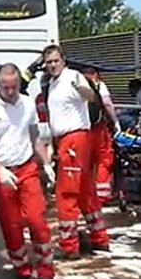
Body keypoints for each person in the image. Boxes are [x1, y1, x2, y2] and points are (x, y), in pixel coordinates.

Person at [0, 63, 59, 279]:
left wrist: (46, 164)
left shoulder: (27, 104)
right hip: (2, 172)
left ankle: (46, 273)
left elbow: (35, 137)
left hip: (27, 168)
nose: (10, 92)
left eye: (14, 87)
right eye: (6, 87)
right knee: (12, 226)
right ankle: (23, 272)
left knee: (37, 220)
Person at [42, 44, 109, 259]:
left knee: (66, 192)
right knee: (84, 190)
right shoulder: (52, 84)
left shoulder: (74, 77)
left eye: (55, 60)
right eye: (49, 62)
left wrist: (81, 87)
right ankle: (99, 237)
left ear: (63, 60)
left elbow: (91, 96)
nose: (52, 65)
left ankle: (69, 246)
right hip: (64, 139)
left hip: (75, 139)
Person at [82, 67, 120, 204]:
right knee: (104, 158)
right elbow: (107, 104)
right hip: (97, 128)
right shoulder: (98, 85)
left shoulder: (75, 83)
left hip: (81, 129)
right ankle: (102, 194)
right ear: (96, 74)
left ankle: (87, 194)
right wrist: (116, 122)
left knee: (86, 161)